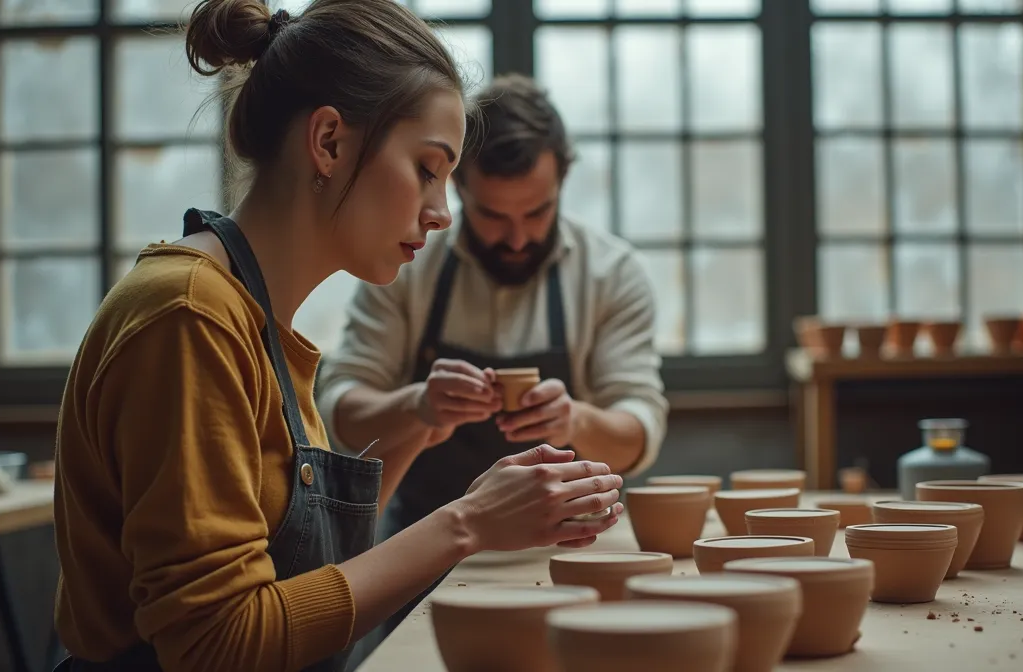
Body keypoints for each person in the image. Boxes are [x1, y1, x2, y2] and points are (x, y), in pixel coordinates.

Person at [49, 2, 623, 671]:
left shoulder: (254, 316)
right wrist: (465, 523)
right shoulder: (191, 316)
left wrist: (418, 425)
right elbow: (218, 644)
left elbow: (308, 574)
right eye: (428, 170)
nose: (442, 214)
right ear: (328, 143)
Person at [316, 73, 669, 663]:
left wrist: (574, 417)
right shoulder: (404, 262)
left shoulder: (611, 273)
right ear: (458, 190)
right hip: (421, 542)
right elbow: (341, 408)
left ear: (561, 180)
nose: (516, 238)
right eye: (492, 216)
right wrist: (417, 405)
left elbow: (639, 428)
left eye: (536, 213)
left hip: (569, 545)